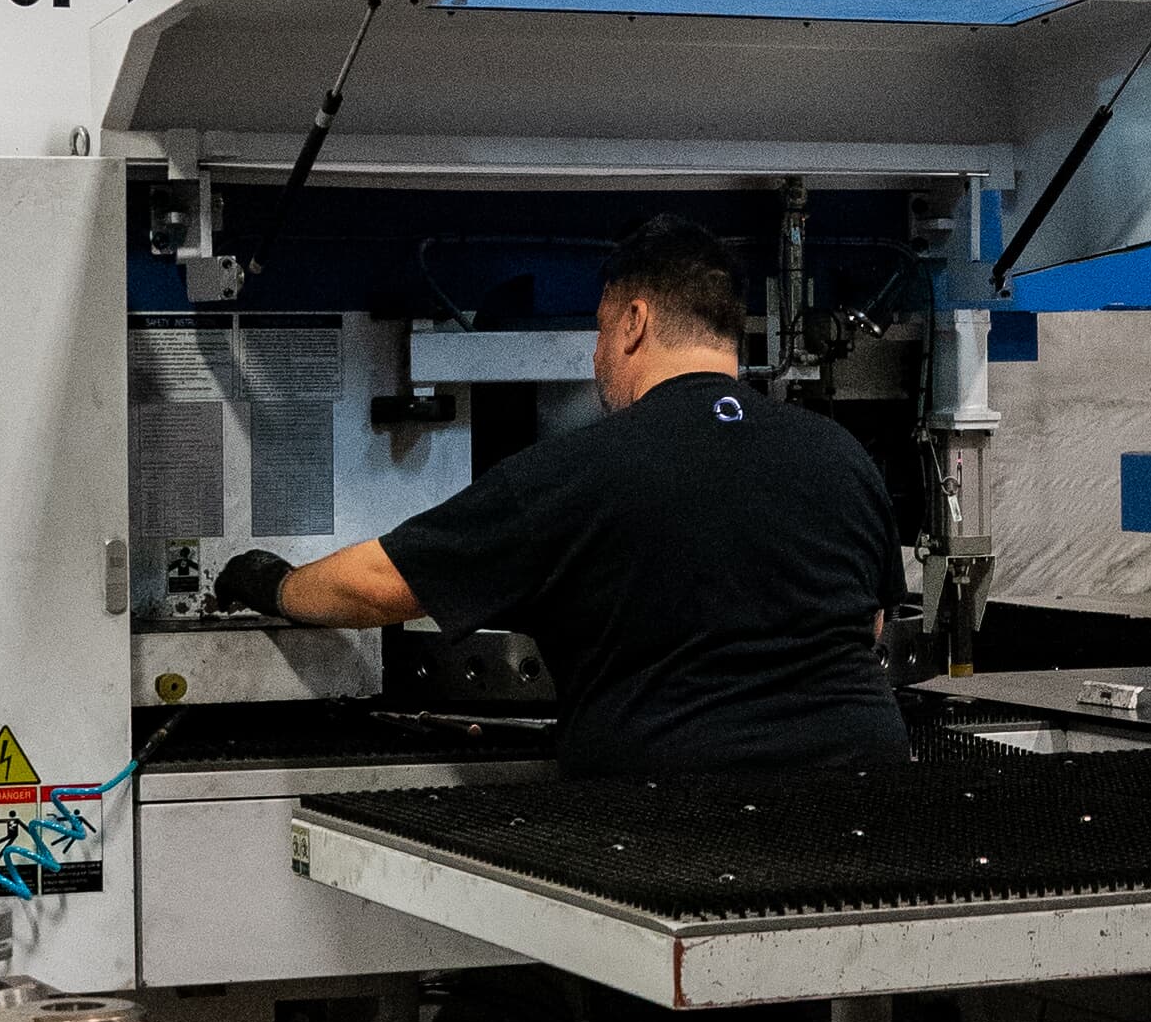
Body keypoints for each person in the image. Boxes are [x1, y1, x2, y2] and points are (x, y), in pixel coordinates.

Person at [208, 218, 910, 779]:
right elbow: (870, 622)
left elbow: (378, 584)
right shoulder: (841, 456)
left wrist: (269, 583)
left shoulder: (579, 469)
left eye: (601, 331)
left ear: (634, 321)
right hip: (867, 804)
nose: (596, 356)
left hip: (671, 823)